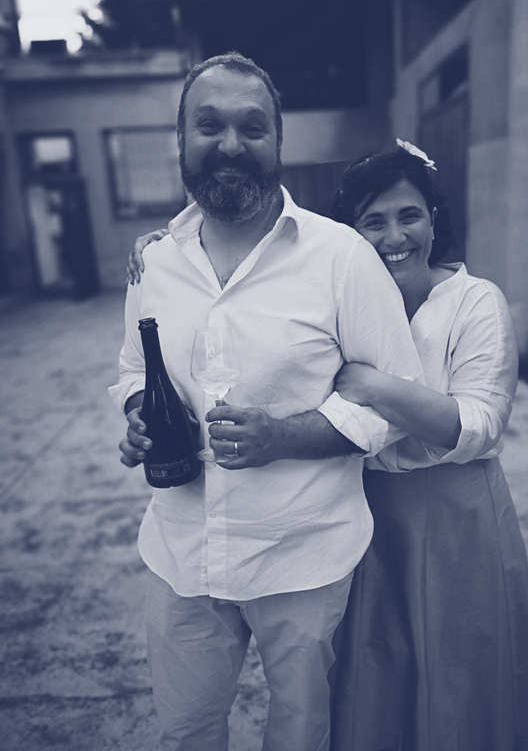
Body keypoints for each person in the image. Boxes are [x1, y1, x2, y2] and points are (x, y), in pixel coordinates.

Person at [129, 139, 528, 751]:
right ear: (350, 233)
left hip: (450, 511)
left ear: (435, 219)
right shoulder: (331, 286)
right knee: (371, 669)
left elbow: (482, 423)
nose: (394, 237)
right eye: (373, 222)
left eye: (410, 216)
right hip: (363, 505)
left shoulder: (474, 301)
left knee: (455, 662)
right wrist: (167, 244)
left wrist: (380, 386)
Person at [110, 51, 424, 751]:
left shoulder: (342, 258)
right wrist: (136, 413)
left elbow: (396, 400)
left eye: (252, 127)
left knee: (300, 733)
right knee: (186, 731)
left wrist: (283, 437)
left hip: (302, 557)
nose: (230, 144)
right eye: (209, 126)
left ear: (279, 141)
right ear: (180, 138)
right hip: (182, 554)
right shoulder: (153, 262)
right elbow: (133, 366)